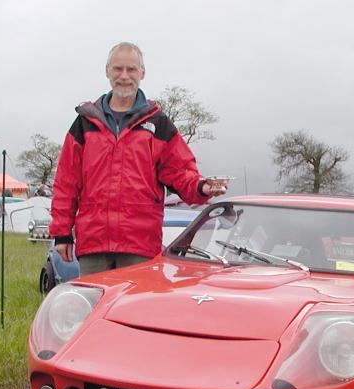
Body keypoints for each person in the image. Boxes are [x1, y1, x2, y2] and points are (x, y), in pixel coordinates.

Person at [49, 42, 228, 275]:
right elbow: (66, 181)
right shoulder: (85, 123)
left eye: (131, 69)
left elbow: (179, 172)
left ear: (142, 73)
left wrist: (202, 187)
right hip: (93, 245)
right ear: (107, 71)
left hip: (140, 246)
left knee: (139, 300)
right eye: (118, 69)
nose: (124, 76)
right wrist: (62, 233)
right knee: (92, 299)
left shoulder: (158, 123)